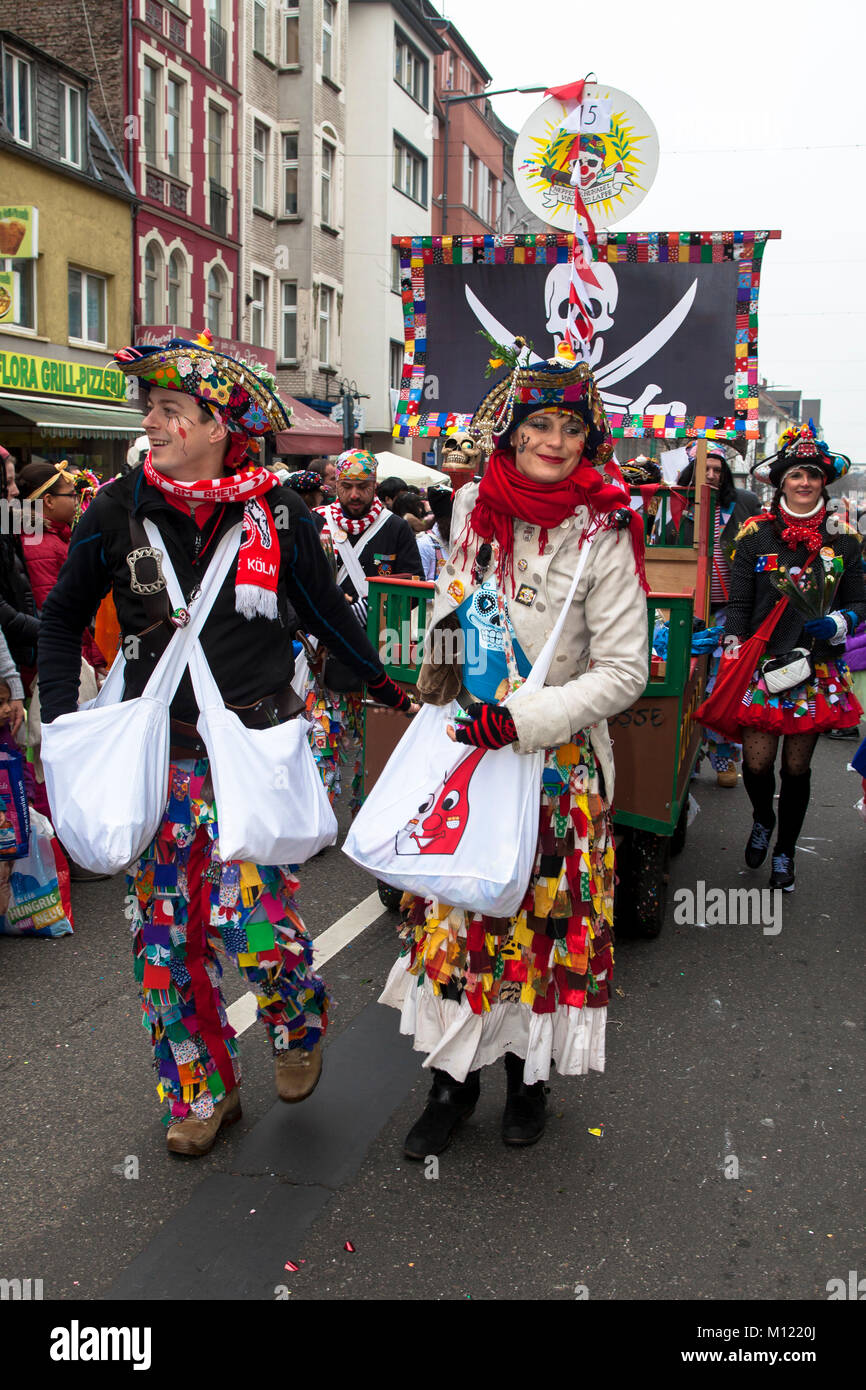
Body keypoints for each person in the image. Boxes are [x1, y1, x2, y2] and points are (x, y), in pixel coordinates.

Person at [37, 336, 412, 1157]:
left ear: (219, 428)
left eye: (172, 411)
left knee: (260, 922)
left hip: (255, 750)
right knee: (165, 943)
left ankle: (296, 1022)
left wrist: (387, 690)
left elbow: (325, 614)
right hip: (160, 760)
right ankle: (201, 1093)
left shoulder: (276, 513)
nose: (154, 423)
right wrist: (59, 720)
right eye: (151, 410)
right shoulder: (117, 508)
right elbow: (64, 617)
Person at [379, 343, 649, 1156]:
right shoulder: (470, 510)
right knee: (457, 923)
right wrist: (448, 679)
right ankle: (449, 1086)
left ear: (588, 440)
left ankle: (526, 1084)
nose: (556, 439)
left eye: (572, 425)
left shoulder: (606, 528)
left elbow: (626, 669)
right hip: (470, 750)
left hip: (555, 766)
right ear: (512, 433)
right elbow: (449, 613)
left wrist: (528, 720)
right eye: (541, 422)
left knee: (537, 928)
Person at [723, 422, 866, 891]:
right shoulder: (755, 535)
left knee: (797, 768)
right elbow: (740, 604)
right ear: (781, 481)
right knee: (759, 765)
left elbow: (861, 601)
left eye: (813, 475)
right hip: (764, 667)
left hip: (817, 666)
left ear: (825, 482)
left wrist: (841, 621)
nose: (805, 482)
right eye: (796, 474)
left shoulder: (844, 540)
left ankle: (786, 851)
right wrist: (731, 646)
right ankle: (763, 818)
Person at [673, 442, 760, 787]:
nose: (711, 475)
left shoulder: (744, 505)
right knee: (686, 681)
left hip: (730, 609)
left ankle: (722, 756)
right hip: (686, 608)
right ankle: (688, 756)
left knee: (721, 685)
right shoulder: (673, 503)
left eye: (717, 470)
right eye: (704, 469)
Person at [17, 459, 105, 673]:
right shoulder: (39, 543)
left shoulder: (50, 537)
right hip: (61, 662)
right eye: (71, 495)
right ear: (48, 500)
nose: (77, 501)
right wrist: (86, 664)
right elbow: (57, 615)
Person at [392, 491, 437, 580]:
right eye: (417, 506)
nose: (420, 509)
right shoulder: (408, 517)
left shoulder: (397, 518)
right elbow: (423, 527)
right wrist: (430, 513)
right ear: (410, 506)